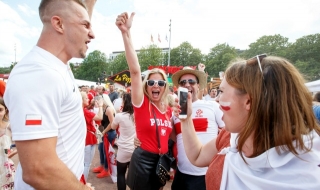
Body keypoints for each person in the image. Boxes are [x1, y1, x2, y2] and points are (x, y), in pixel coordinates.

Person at [175, 55, 320, 190]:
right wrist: (186, 119)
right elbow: (198, 156)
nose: (217, 99)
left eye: (222, 91)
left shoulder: (307, 178)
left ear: (249, 101)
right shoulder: (229, 137)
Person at [3, 0, 96, 189]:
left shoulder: (56, 64)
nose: (92, 34)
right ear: (59, 24)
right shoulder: (38, 73)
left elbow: (76, 13)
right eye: (86, 25)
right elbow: (38, 169)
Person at [116, 12, 173, 190]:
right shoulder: (141, 104)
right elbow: (134, 70)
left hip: (162, 160)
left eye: (160, 82)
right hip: (142, 161)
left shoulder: (169, 109)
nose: (156, 85)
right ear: (146, 86)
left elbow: (171, 136)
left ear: (165, 86)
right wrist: (126, 33)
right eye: (151, 82)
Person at [171, 66, 225, 190]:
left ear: (198, 85)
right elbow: (174, 136)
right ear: (178, 87)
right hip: (181, 173)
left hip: (205, 175)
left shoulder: (212, 106)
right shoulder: (176, 112)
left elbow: (227, 133)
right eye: (183, 82)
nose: (187, 84)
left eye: (191, 81)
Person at [111, 93, 135, 190]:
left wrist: (117, 113)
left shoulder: (120, 116)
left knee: (121, 174)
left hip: (123, 149)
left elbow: (113, 127)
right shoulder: (137, 115)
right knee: (133, 175)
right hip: (135, 148)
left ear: (125, 102)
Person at [92, 94, 117, 178]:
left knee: (106, 151)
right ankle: (102, 166)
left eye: (98, 100)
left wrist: (104, 131)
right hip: (105, 133)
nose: (97, 101)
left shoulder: (109, 109)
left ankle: (106, 170)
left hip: (109, 133)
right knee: (101, 149)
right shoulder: (103, 108)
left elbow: (112, 123)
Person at [81, 92, 104, 182]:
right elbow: (100, 117)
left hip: (87, 137)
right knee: (86, 164)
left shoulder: (81, 110)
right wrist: (101, 106)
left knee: (84, 163)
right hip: (88, 138)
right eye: (86, 98)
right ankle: (83, 184)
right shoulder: (84, 111)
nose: (88, 99)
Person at [0, 98, 17, 189]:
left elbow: (23, 142)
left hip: (6, 168)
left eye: (0, 110)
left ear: (5, 111)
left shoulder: (9, 126)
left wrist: (15, 151)